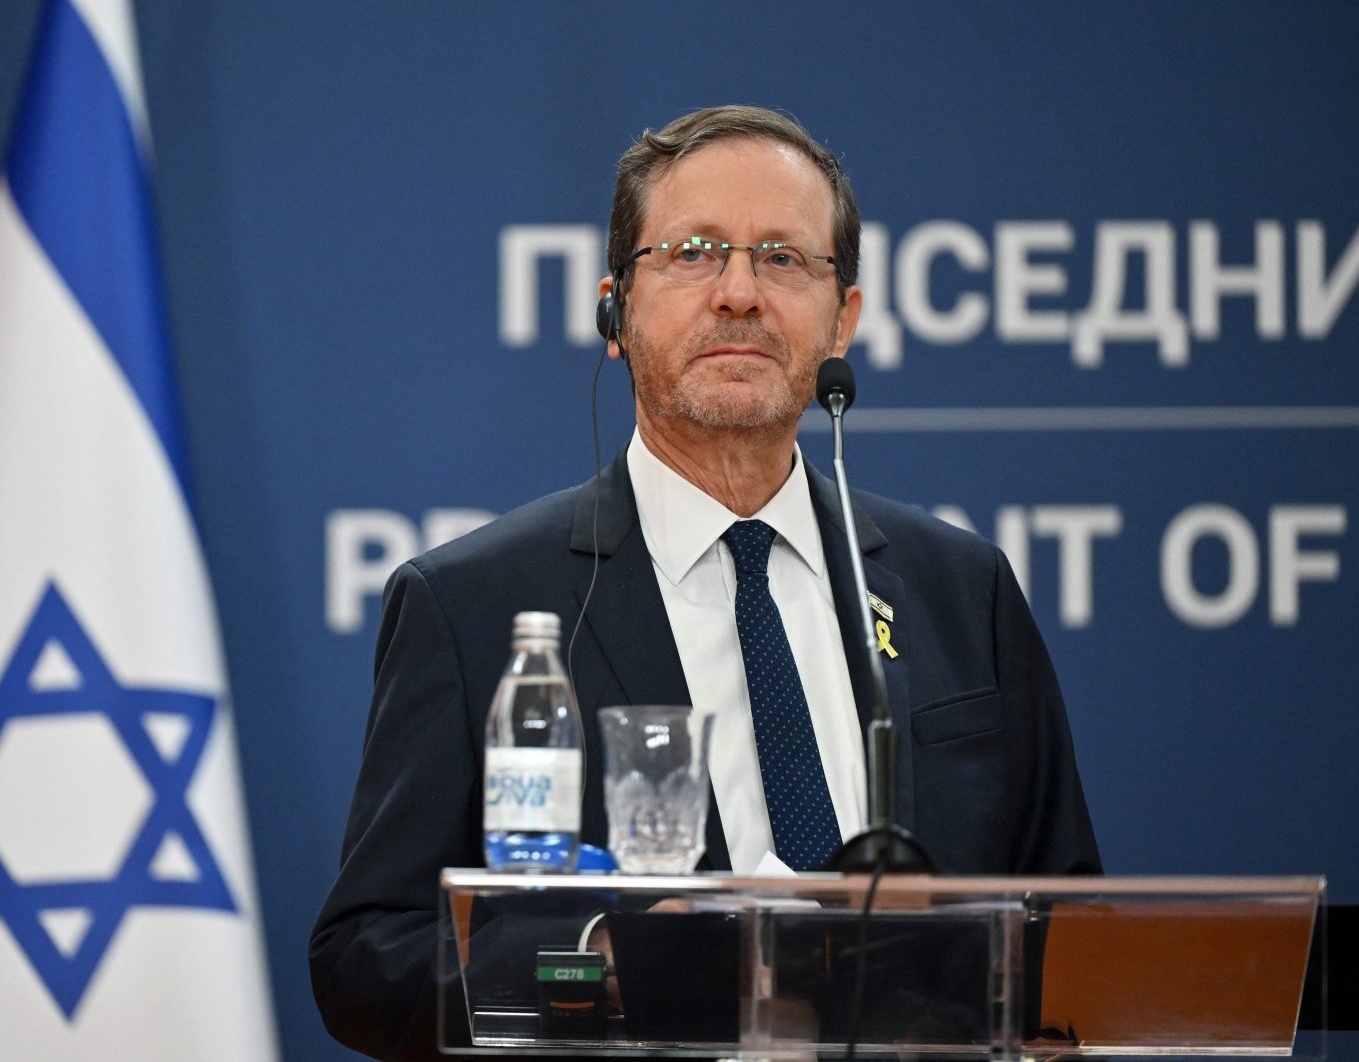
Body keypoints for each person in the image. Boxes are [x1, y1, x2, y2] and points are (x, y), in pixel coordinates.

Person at [309, 105, 1100, 1061]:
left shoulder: (961, 590)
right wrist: (599, 965)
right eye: (692, 253)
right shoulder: (470, 606)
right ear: (616, 311)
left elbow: (1077, 931)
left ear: (843, 317)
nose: (738, 293)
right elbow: (365, 962)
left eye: (783, 258)